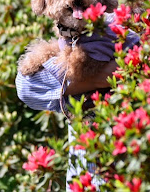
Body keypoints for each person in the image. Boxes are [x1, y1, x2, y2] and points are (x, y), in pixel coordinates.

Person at [16, 12, 139, 191]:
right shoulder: (108, 22)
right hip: (90, 176)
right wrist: (113, 74)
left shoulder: (131, 28)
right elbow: (26, 86)